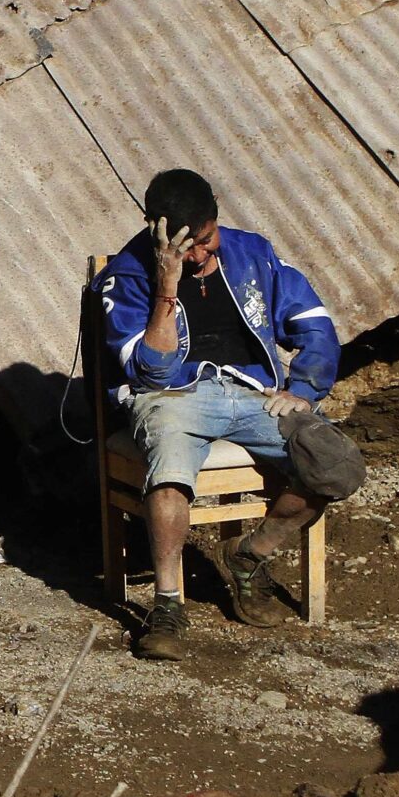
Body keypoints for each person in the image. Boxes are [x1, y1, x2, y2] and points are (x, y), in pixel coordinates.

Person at [96, 168, 361, 661]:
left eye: (207, 240)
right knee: (170, 471)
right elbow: (151, 372)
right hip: (170, 397)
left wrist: (304, 387)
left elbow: (314, 322)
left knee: (334, 465)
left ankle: (247, 556)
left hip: (250, 391)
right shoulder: (127, 276)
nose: (200, 255)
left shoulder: (252, 251)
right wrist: (167, 284)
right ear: (156, 231)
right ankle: (168, 605)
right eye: (186, 247)